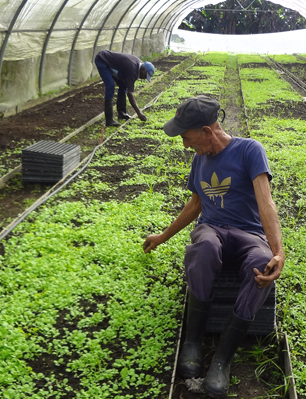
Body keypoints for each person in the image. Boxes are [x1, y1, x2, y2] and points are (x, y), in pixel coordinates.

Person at [142, 96, 285, 398]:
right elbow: (195, 205)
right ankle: (193, 340)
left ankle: (222, 359)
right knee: (203, 245)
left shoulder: (249, 151)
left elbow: (266, 202)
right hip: (212, 229)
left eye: (186, 137)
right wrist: (162, 236)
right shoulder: (199, 159)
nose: (184, 145)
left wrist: (277, 252)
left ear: (206, 131)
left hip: (249, 234)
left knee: (261, 264)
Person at [94, 50, 155, 127]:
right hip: (102, 60)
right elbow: (130, 94)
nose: (144, 78)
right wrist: (139, 113)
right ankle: (109, 120)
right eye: (145, 76)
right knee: (110, 86)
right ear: (143, 69)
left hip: (111, 63)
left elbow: (128, 87)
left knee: (123, 86)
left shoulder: (138, 66)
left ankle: (122, 113)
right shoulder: (132, 69)